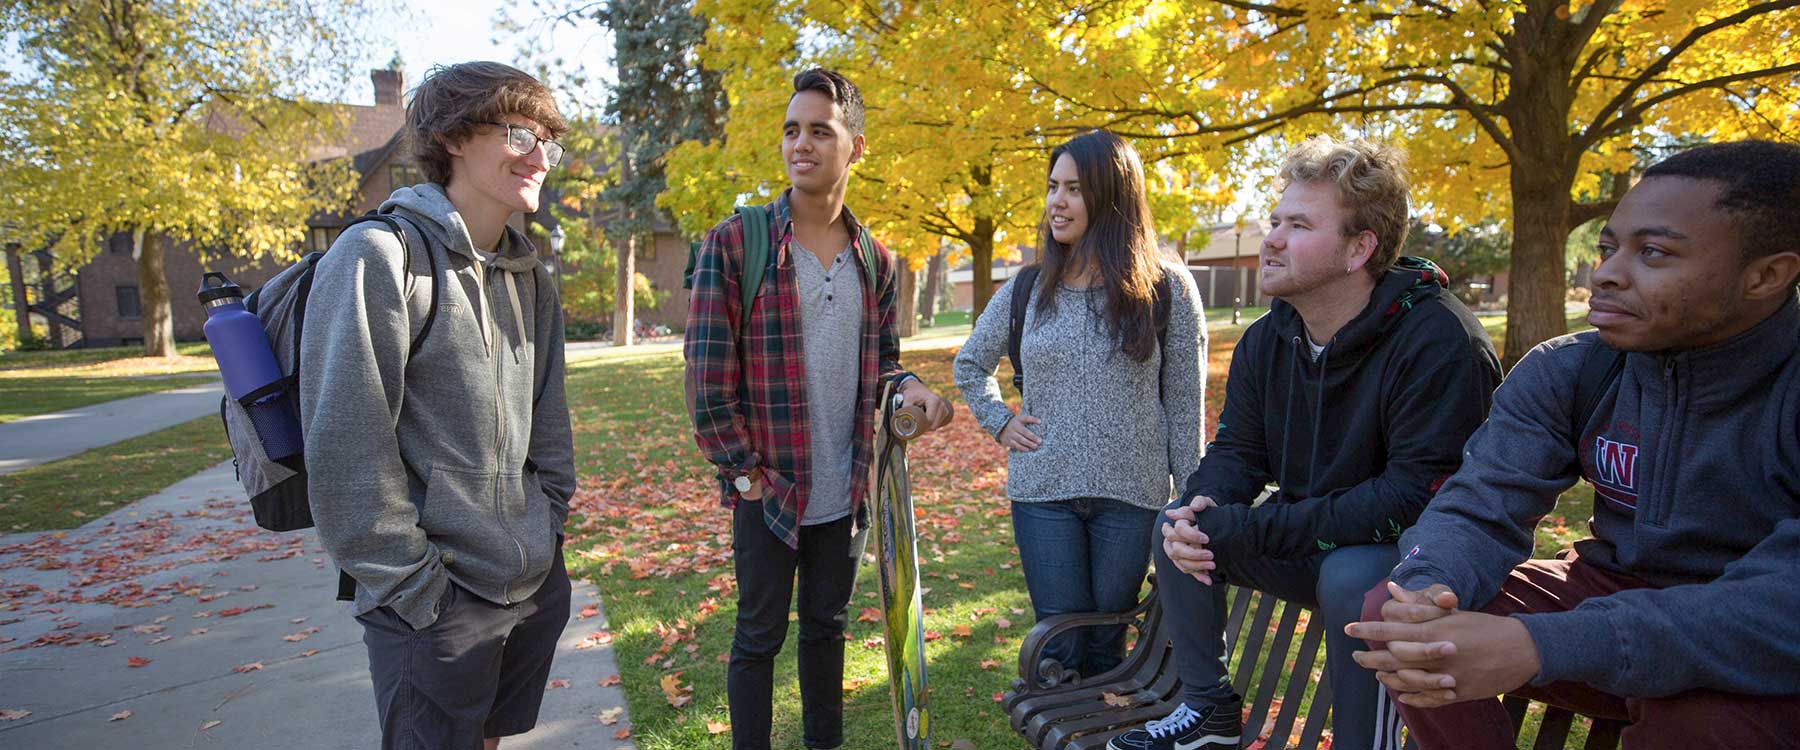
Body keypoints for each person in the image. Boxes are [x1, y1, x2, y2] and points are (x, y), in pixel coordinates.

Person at [1349, 140, 1800, 749]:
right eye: (1610, 246)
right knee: (1400, 618)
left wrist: (1543, 644)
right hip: (1609, 599)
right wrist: (1429, 584)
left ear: (1767, 276)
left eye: (1655, 253)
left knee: (1700, 723)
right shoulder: (1571, 370)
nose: (1606, 272)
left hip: (1749, 641)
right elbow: (1480, 503)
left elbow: (1783, 604)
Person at [1111, 136, 1501, 750]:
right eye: (1275, 220)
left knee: (1353, 576)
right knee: (1176, 525)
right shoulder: (1269, 339)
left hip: (1414, 559)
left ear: (1358, 249)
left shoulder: (1438, 340)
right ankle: (1208, 713)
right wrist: (1202, 508)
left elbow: (1409, 498)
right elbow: (1239, 451)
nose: (1270, 238)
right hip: (1307, 537)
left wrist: (1253, 529)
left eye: (1298, 224)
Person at [300, 62, 575, 750]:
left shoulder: (531, 278)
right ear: (454, 137)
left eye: (549, 140)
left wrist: (550, 534)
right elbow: (345, 453)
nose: (540, 157)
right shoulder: (376, 257)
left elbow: (551, 430)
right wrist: (421, 593)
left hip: (529, 583)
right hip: (435, 599)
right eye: (519, 134)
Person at [683, 68, 954, 750]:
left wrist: (913, 386)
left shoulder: (878, 260)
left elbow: (882, 360)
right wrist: (747, 478)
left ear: (854, 147)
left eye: (819, 131)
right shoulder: (736, 245)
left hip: (846, 492)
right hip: (768, 493)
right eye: (791, 130)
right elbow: (706, 385)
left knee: (826, 635)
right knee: (757, 639)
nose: (800, 144)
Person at [953, 129, 1206, 683]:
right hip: (1044, 495)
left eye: (1073, 188)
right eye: (1052, 187)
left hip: (1132, 497)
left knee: (1108, 644)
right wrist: (1000, 422)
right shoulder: (1028, 287)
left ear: (1111, 196)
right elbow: (970, 364)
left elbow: (1185, 408)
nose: (1055, 202)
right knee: (1060, 644)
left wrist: (1187, 506)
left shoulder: (1167, 289)